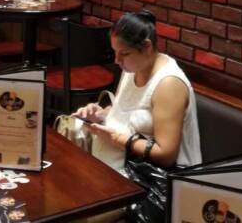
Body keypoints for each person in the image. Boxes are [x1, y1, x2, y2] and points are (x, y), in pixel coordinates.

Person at [75, 10, 202, 171]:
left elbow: (166, 155)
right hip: (115, 168)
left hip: (156, 182)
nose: (117, 60)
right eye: (115, 52)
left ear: (147, 46)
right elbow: (128, 112)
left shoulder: (168, 84)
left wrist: (115, 138)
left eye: (124, 53)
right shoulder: (133, 67)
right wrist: (101, 114)